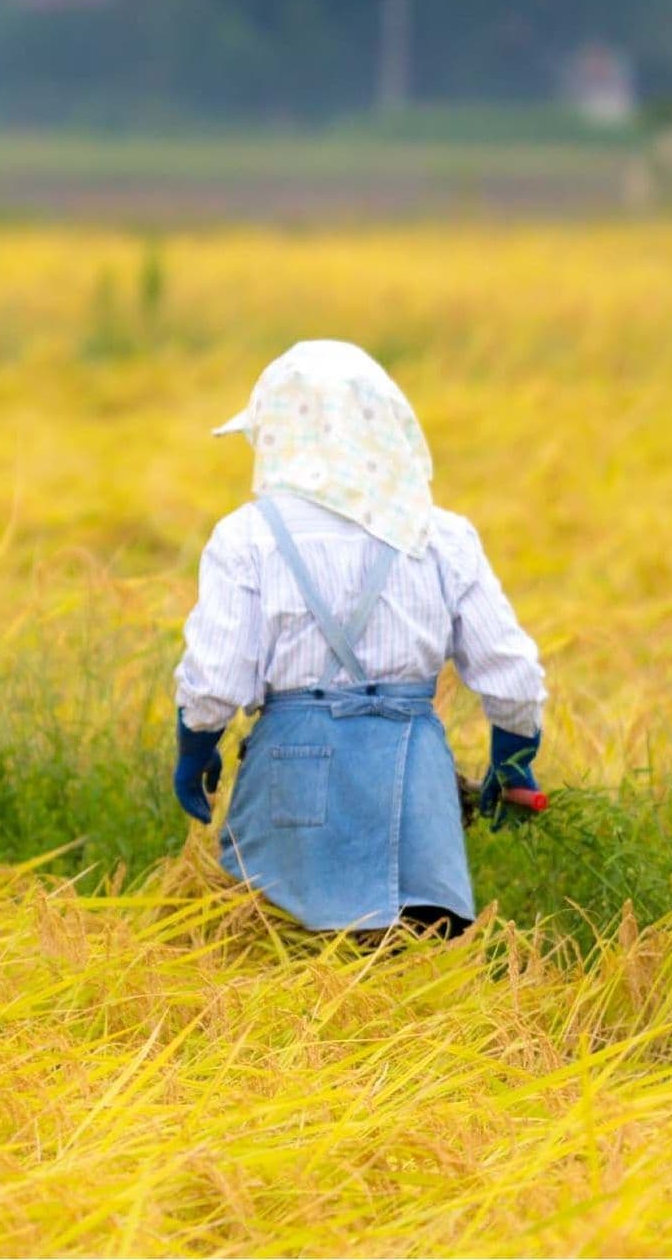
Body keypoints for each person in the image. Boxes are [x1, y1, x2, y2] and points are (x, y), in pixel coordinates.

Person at [172, 340, 547, 938]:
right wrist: (513, 760)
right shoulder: (443, 538)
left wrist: (196, 750)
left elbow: (216, 682)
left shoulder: (246, 538)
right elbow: (513, 677)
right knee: (418, 978)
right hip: (414, 792)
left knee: (274, 962)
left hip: (293, 780)